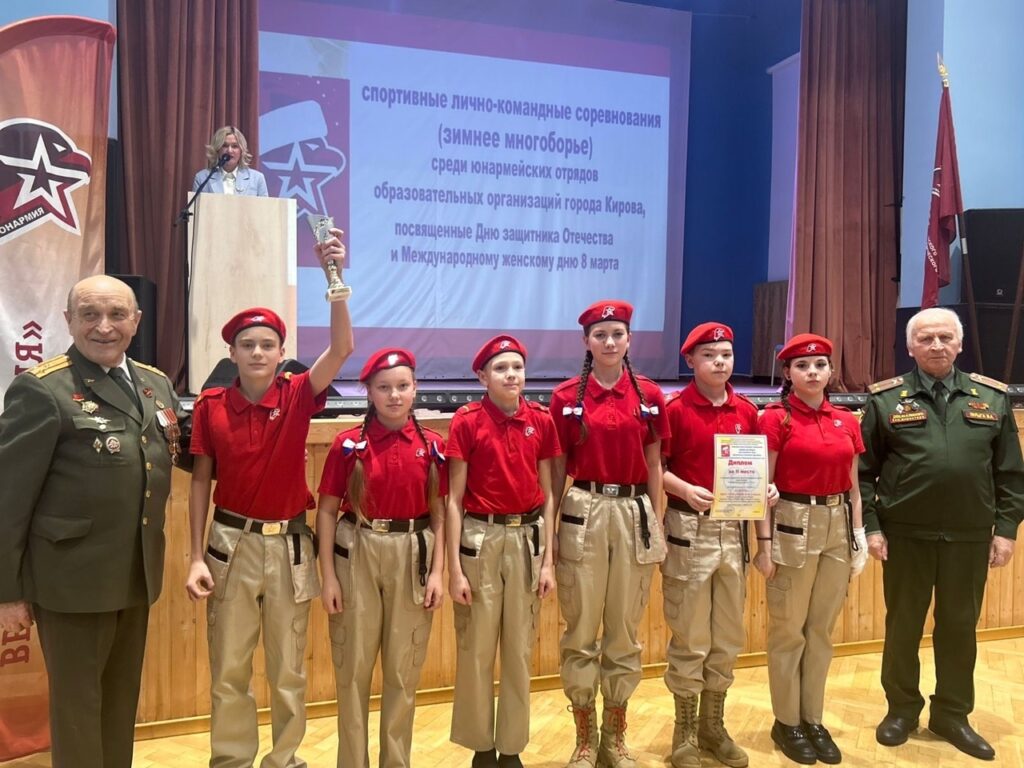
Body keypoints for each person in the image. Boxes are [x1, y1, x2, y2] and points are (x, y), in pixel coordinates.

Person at [0, 275, 185, 768]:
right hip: (71, 581)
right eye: (90, 315)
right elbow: (8, 498)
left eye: (117, 315)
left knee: (120, 704)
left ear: (136, 321)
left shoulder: (156, 384)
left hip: (135, 574)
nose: (104, 327)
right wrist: (8, 592)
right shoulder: (43, 389)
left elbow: (182, 451)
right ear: (69, 320)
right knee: (78, 710)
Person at [184, 231, 353, 768]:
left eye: (267, 345)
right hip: (229, 544)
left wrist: (333, 278)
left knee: (288, 669)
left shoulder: (298, 394)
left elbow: (342, 349)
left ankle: (284, 759)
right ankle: (231, 760)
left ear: (282, 354)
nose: (257, 352)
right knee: (229, 668)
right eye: (247, 345)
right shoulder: (211, 406)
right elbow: (200, 483)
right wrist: (195, 556)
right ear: (231, 353)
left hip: (290, 548)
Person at [859, 307, 1024, 761]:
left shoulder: (991, 398)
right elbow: (864, 473)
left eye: (945, 338)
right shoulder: (886, 400)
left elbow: (1011, 473)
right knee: (903, 626)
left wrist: (1005, 530)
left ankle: (952, 714)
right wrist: (872, 527)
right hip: (904, 536)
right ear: (910, 346)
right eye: (926, 338)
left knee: (959, 628)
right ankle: (901, 710)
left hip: (970, 536)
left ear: (959, 344)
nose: (936, 346)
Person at [549, 300, 670, 768]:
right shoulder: (566, 397)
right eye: (600, 335)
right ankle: (584, 737)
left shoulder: (650, 394)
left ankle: (615, 736)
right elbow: (557, 470)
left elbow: (655, 463)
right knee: (581, 629)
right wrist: (551, 533)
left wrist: (656, 523)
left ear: (629, 339)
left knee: (623, 630)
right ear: (586, 342)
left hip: (635, 511)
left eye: (618, 333)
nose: (610, 342)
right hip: (584, 510)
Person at [316, 348, 447, 768]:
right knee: (352, 671)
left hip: (412, 554)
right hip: (357, 553)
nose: (394, 395)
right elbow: (326, 511)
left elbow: (440, 514)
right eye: (384, 387)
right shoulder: (348, 445)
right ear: (369, 392)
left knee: (403, 672)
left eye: (403, 386)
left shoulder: (433, 446)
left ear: (415, 389)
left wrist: (438, 572)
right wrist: (328, 577)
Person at [661, 322, 778, 768]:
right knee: (690, 635)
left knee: (728, 635)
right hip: (689, 529)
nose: (719, 363)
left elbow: (756, 473)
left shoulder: (747, 411)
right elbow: (656, 468)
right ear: (690, 361)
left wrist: (766, 494)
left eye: (726, 355)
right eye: (709, 356)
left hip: (733, 532)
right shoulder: (675, 409)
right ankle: (685, 732)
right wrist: (684, 489)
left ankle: (713, 726)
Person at [754, 333, 868, 766]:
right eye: (802, 366)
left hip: (837, 524)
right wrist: (764, 545)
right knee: (789, 630)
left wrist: (858, 534)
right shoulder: (775, 419)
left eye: (820, 365)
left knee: (821, 630)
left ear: (831, 371)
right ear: (788, 373)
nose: (813, 372)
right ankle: (787, 721)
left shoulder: (847, 420)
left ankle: (813, 718)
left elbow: (854, 487)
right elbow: (763, 489)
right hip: (792, 525)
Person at [447, 335, 560, 768]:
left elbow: (549, 494)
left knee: (518, 650)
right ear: (482, 377)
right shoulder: (467, 421)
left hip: (527, 540)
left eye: (517, 367)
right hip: (481, 540)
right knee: (477, 647)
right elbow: (453, 500)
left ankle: (511, 747)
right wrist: (455, 569)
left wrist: (548, 561)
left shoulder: (541, 420)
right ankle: (481, 746)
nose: (511, 375)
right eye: (500, 368)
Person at [192, 125, 269, 197]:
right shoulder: (202, 178)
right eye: (225, 146)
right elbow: (196, 207)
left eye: (235, 146)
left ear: (241, 151)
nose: (229, 150)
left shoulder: (257, 179)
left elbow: (265, 207)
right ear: (217, 149)